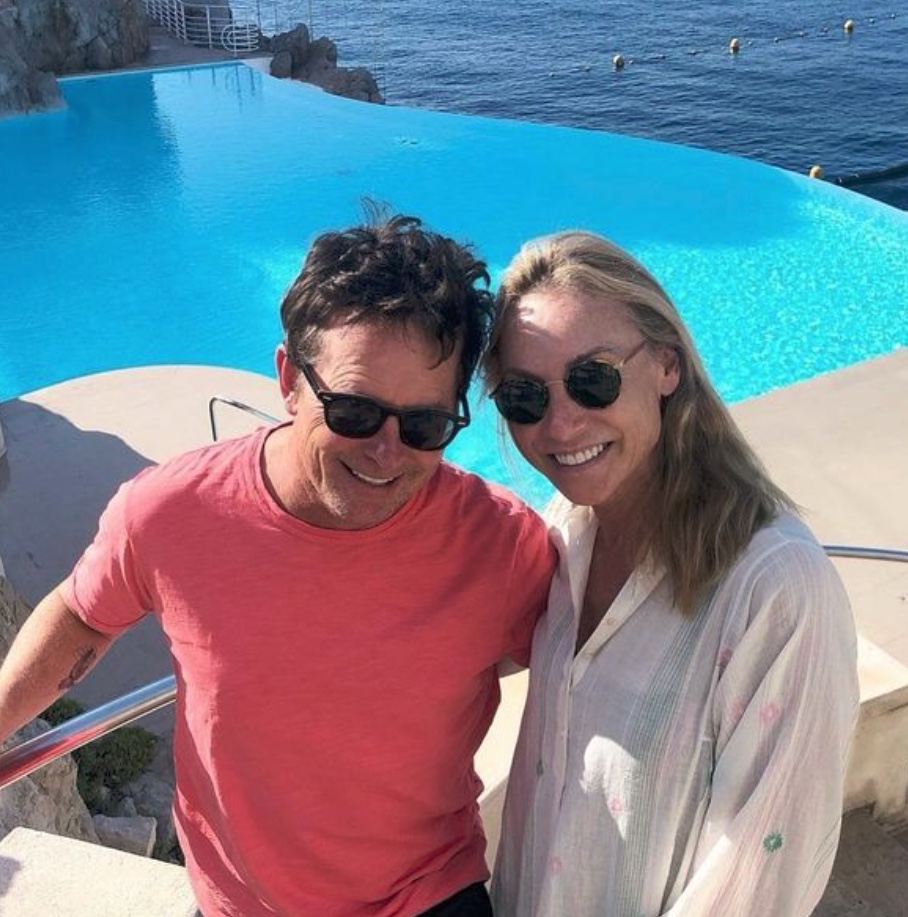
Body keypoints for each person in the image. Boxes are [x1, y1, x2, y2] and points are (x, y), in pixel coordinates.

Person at [0, 214, 556, 917]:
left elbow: (599, 660)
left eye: (424, 425)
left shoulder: (501, 543)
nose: (387, 451)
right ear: (290, 377)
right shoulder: (171, 511)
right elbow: (84, 614)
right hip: (240, 904)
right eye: (355, 411)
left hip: (428, 897)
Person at [482, 230, 859, 916]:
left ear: (666, 365)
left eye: (592, 378)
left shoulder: (773, 588)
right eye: (524, 397)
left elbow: (759, 879)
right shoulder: (566, 533)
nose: (561, 424)